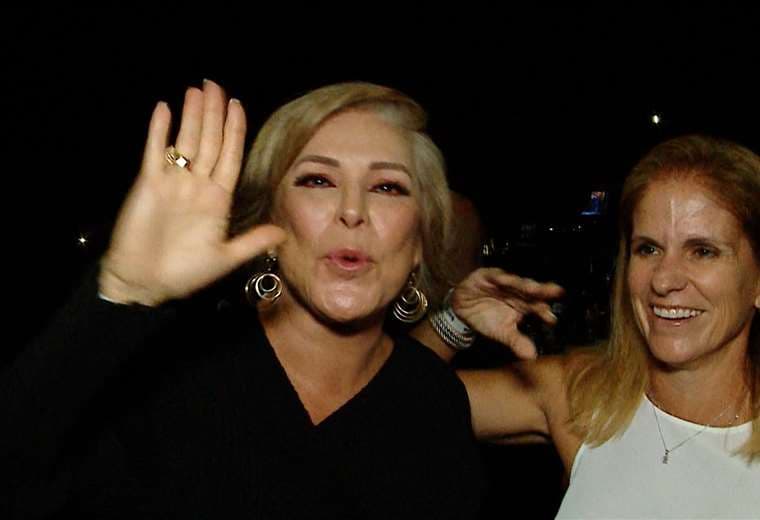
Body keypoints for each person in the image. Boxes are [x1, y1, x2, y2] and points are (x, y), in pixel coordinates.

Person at [1, 80, 565, 519]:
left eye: (387, 187)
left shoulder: (434, 402)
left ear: (418, 242)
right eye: (317, 180)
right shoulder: (169, 373)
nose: (352, 211)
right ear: (271, 221)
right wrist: (120, 295)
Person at [449, 135, 760, 518]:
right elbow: (392, 407)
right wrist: (451, 322)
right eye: (648, 248)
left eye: (702, 251)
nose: (663, 280)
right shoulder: (581, 395)